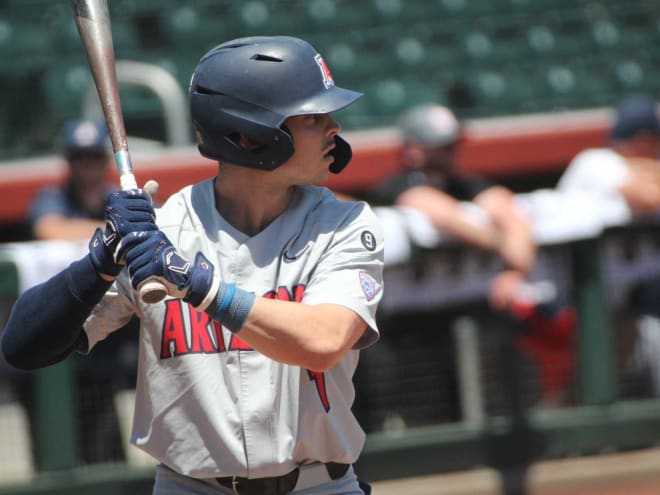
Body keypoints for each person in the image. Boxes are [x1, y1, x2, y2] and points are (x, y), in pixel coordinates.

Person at [2, 35, 383, 495]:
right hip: (191, 487)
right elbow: (24, 345)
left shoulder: (342, 224)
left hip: (318, 485)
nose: (334, 128)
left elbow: (321, 341)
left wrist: (200, 287)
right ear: (249, 135)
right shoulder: (163, 232)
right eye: (313, 117)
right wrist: (100, 261)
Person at [355, 104, 575, 427]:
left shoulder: (466, 184)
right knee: (422, 413)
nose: (448, 152)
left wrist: (515, 271)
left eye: (451, 144)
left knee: (496, 397)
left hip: (467, 314)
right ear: (414, 149)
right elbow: (437, 210)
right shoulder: (395, 186)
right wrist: (499, 241)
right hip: (406, 325)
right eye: (439, 146)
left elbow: (507, 208)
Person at [557, 94, 660, 397]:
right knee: (569, 389)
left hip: (614, 301)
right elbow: (647, 197)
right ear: (643, 138)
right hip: (559, 301)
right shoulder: (595, 161)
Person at [28, 119, 113, 240]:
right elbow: (48, 230)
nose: (87, 164)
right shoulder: (52, 196)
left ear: (106, 160)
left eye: (95, 156)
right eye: (78, 157)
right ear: (68, 160)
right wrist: (113, 231)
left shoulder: (118, 197)